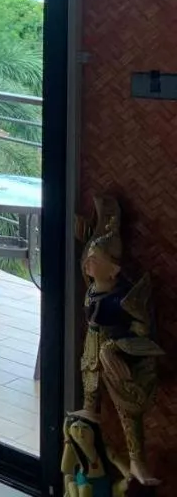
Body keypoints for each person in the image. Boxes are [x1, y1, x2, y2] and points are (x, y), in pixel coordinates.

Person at [72, 197, 164, 487]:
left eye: (95, 260)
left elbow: (141, 328)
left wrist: (116, 348)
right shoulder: (92, 288)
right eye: (88, 259)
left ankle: (136, 460)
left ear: (113, 270)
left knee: (126, 409)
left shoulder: (124, 296)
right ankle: (90, 412)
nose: (89, 263)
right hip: (92, 347)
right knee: (89, 384)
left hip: (115, 351)